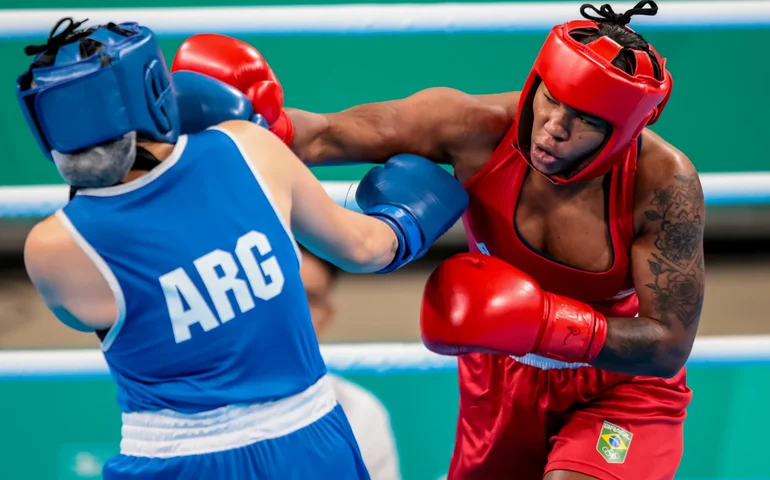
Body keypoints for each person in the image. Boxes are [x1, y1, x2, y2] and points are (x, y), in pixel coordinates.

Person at [172, 0, 705, 478]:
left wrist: (541, 322)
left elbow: (669, 346)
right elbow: (330, 133)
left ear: (627, 130)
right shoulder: (473, 127)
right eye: (550, 99)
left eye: (585, 120)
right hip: (499, 376)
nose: (553, 128)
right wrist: (255, 123)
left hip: (616, 383)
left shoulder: (663, 185)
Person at [18, 18, 467, 480]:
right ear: (153, 87)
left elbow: (91, 303)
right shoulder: (248, 148)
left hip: (172, 461)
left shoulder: (54, 248)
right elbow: (369, 249)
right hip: (309, 446)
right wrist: (412, 214)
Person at [299, 245, 402, 480]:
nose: (296, 311)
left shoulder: (360, 411)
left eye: (310, 298)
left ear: (327, 315)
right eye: (283, 295)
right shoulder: (204, 403)